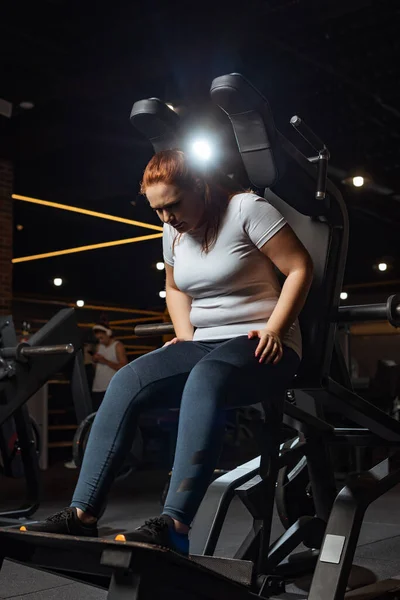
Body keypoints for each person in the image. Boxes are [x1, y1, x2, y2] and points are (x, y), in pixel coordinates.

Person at [24, 150, 313, 556]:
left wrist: (277, 329)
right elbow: (175, 288)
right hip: (206, 344)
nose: (166, 218)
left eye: (173, 205)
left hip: (262, 342)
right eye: (157, 210)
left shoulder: (247, 208)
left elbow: (300, 266)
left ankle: (174, 524)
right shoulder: (172, 232)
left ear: (200, 187)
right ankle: (81, 515)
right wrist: (187, 336)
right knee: (128, 379)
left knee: (206, 377)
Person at [64, 323, 128, 469]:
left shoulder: (117, 346)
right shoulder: (99, 347)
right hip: (97, 388)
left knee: (111, 424)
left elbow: (124, 366)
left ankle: (114, 459)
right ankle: (91, 458)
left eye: (102, 336)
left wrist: (104, 361)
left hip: (111, 388)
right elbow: (97, 368)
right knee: (95, 424)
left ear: (109, 333)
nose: (100, 339)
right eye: (97, 337)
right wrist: (96, 361)